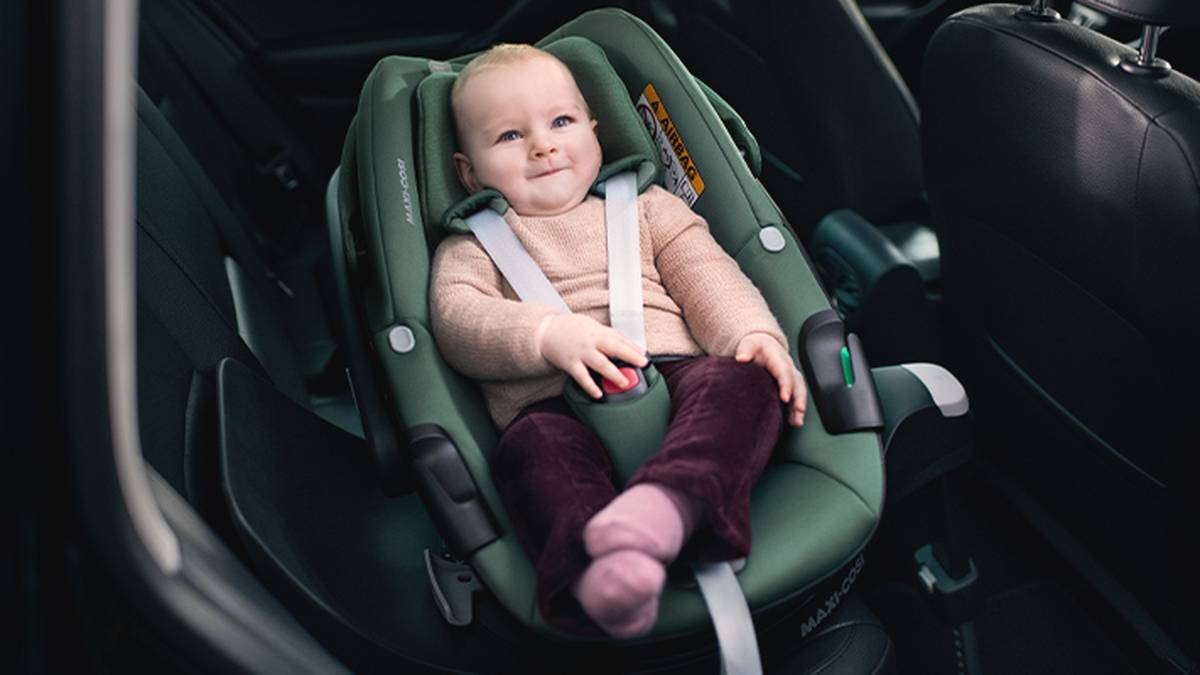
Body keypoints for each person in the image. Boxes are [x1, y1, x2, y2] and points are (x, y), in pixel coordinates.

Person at [430, 44, 807, 638]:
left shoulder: (646, 208)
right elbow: (458, 321)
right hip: (550, 402)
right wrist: (548, 333)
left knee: (743, 386)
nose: (543, 145)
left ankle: (666, 508)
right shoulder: (472, 245)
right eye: (508, 136)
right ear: (469, 172)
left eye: (561, 122)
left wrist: (752, 335)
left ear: (594, 130)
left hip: (676, 374)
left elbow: (708, 279)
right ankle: (602, 573)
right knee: (533, 459)